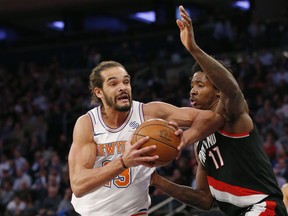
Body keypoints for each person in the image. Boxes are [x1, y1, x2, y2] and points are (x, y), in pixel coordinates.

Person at [150, 5, 288, 216]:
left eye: (200, 85)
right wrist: (157, 180)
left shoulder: (232, 116)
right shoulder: (200, 143)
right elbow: (204, 200)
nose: (192, 91)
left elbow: (232, 89)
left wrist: (193, 49)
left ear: (217, 92)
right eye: (191, 86)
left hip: (263, 207)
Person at [68, 60, 224, 216]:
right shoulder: (88, 124)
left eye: (126, 82)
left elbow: (213, 117)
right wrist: (123, 162)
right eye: (113, 84)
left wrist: (185, 138)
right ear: (99, 92)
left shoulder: (149, 113)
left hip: (135, 211)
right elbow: (78, 185)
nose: (123, 87)